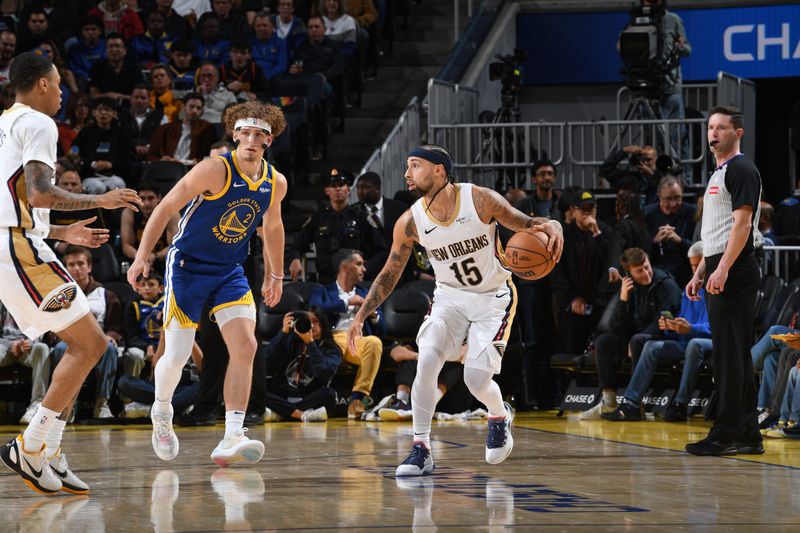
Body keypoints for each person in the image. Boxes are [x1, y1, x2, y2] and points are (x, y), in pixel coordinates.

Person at [347, 144, 564, 476]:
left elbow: (529, 223)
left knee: (476, 380)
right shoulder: (410, 221)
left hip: (493, 298)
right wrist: (360, 317)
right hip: (449, 298)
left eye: (414, 165)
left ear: (439, 170)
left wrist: (554, 225)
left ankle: (498, 414)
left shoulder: (479, 199)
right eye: (407, 166)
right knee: (427, 361)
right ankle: (421, 448)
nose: (407, 174)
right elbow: (389, 273)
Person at [0, 52, 141, 495]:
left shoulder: (6, 122)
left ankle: (49, 448)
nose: (63, 92)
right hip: (16, 245)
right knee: (91, 344)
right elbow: (41, 193)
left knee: (90, 346)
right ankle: (32, 444)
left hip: (24, 239)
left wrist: (64, 232)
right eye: (59, 84)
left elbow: (18, 199)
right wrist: (104, 200)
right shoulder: (39, 123)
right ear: (42, 84)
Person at [127, 100, 288, 467]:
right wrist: (142, 256)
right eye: (244, 132)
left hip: (230, 269)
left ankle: (233, 435)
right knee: (178, 356)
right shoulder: (214, 169)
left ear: (269, 140)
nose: (250, 139)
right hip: (187, 266)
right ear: (234, 134)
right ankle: (162, 411)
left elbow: (273, 227)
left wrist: (275, 274)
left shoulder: (274, 182)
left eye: (259, 134)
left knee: (246, 345)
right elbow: (165, 207)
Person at [685, 105, 763, 456]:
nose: (713, 133)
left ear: (738, 133)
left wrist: (723, 268)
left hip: (736, 268)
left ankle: (727, 433)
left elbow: (742, 225)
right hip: (720, 264)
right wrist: (702, 269)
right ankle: (747, 434)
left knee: (730, 356)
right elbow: (716, 231)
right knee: (733, 355)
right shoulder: (720, 172)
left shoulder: (742, 168)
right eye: (710, 127)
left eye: (721, 128)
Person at [602, 241, 710, 421]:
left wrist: (690, 328)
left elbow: (719, 330)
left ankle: (680, 405)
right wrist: (670, 327)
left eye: (699, 266)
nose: (695, 271)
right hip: (684, 342)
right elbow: (617, 326)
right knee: (651, 346)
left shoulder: (718, 289)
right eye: (692, 266)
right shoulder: (689, 289)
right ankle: (631, 403)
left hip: (708, 341)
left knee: (694, 343)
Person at [579, 247, 681, 420]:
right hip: (637, 339)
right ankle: (609, 401)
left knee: (637, 340)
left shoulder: (666, 284)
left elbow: (663, 320)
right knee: (603, 341)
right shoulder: (630, 288)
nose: (646, 273)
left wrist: (632, 341)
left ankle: (634, 403)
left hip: (666, 339)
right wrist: (623, 299)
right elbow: (616, 327)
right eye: (639, 271)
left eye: (647, 267)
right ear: (630, 273)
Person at [309, 248, 385, 418]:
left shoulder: (367, 293)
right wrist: (347, 302)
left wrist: (371, 313)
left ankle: (357, 399)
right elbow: (315, 310)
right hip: (333, 337)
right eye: (359, 264)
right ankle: (318, 399)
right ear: (345, 267)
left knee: (374, 342)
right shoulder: (322, 290)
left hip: (357, 340)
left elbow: (384, 329)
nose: (364, 269)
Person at [52, 245, 124, 420]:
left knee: (108, 347)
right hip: (70, 342)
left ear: (89, 267)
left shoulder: (105, 295)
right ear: (66, 268)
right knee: (60, 349)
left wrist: (111, 336)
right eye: (71, 264)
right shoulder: (59, 296)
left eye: (80, 263)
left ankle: (102, 403)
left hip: (98, 342)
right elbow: (52, 327)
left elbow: (116, 327)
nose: (76, 268)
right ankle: (67, 404)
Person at [263, 306, 341, 422]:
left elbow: (324, 374)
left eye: (315, 321)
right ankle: (301, 415)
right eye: (307, 321)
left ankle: (281, 414)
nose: (311, 326)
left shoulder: (331, 348)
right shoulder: (289, 340)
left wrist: (310, 343)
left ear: (323, 324)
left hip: (308, 397)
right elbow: (266, 361)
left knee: (330, 395)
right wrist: (283, 332)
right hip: (281, 394)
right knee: (255, 390)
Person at [0, 302, 52, 424]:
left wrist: (30, 340)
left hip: (27, 345)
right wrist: (10, 344)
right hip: (3, 344)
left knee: (42, 348)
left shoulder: (32, 298)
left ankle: (37, 405)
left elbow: (41, 327)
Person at [645, 175, 695, 286]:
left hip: (685, 270)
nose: (673, 203)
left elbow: (698, 246)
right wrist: (655, 241)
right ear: (659, 196)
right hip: (656, 272)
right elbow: (641, 251)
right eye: (668, 199)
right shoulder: (647, 214)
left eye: (677, 198)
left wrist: (680, 241)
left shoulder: (691, 212)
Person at [120, 180, 180, 273]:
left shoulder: (170, 213)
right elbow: (126, 246)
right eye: (142, 198)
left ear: (159, 198)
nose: (146, 203)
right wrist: (141, 258)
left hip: (163, 260)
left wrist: (155, 257)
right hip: (136, 259)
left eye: (150, 198)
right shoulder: (129, 213)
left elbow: (174, 245)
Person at [147, 92, 217, 166]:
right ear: (183, 106)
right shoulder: (166, 129)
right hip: (168, 167)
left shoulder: (207, 129)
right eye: (191, 106)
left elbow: (211, 156)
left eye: (198, 108)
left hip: (193, 169)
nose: (195, 111)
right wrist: (161, 160)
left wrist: (191, 162)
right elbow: (151, 154)